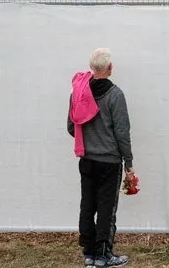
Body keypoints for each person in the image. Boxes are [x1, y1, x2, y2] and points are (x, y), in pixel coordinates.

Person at [67, 48, 134, 268]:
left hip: (86, 159)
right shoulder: (115, 95)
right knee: (106, 209)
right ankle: (103, 255)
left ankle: (89, 253)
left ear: (92, 68)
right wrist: (129, 163)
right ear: (110, 68)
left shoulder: (77, 93)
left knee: (87, 205)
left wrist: (89, 138)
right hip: (109, 161)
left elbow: (71, 126)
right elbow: (122, 132)